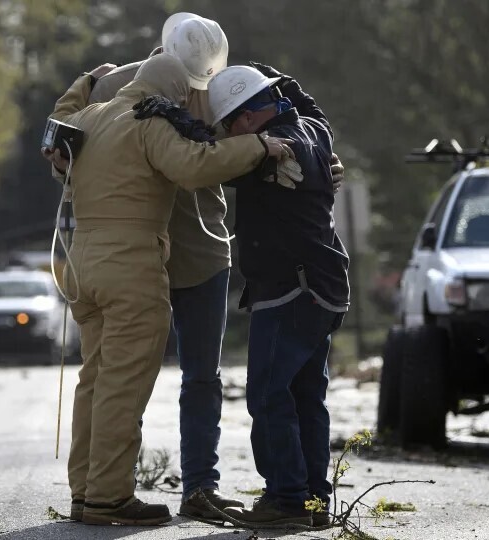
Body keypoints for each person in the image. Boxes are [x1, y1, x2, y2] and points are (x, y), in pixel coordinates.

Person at [42, 11, 346, 521]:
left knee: (144, 377)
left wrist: (315, 160)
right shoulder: (135, 94)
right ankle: (110, 494)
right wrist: (261, 146)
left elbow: (64, 138)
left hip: (174, 252)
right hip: (143, 254)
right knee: (137, 379)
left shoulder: (220, 84)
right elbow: (190, 163)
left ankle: (162, 487)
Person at [206, 63, 351, 528]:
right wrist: (279, 78)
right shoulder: (314, 130)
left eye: (230, 123)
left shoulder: (270, 150)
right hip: (322, 287)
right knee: (306, 396)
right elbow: (315, 111)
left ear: (248, 119)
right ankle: (313, 502)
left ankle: (286, 500)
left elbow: (207, 155)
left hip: (292, 287)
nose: (229, 133)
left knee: (269, 396)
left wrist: (172, 117)